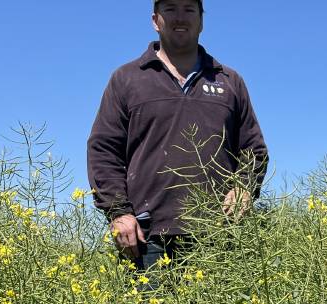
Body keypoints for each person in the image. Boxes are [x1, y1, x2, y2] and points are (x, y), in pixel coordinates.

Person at [87, 0, 269, 271]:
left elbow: (254, 149)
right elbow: (104, 150)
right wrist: (119, 212)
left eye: (189, 9)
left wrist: (244, 187)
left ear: (202, 20)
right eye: (170, 9)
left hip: (219, 232)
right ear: (155, 20)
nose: (180, 17)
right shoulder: (126, 79)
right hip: (146, 237)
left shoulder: (229, 81)